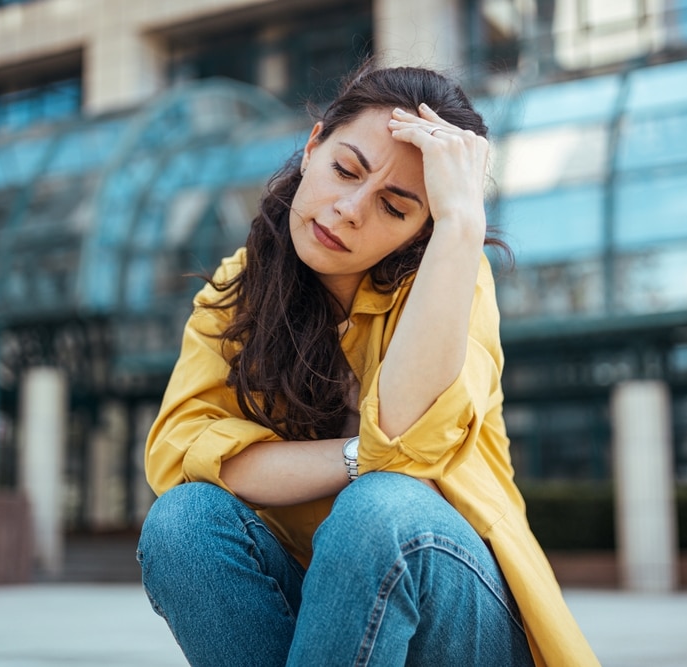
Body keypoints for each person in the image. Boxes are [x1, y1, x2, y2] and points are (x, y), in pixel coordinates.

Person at [138, 63, 600, 667]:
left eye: (396, 206)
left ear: (421, 232)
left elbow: (408, 441)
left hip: (458, 611)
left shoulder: (453, 275)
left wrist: (461, 223)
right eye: (345, 170)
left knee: (379, 509)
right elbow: (178, 451)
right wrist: (355, 458)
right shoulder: (242, 285)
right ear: (312, 146)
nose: (351, 209)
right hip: (324, 619)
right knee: (184, 524)